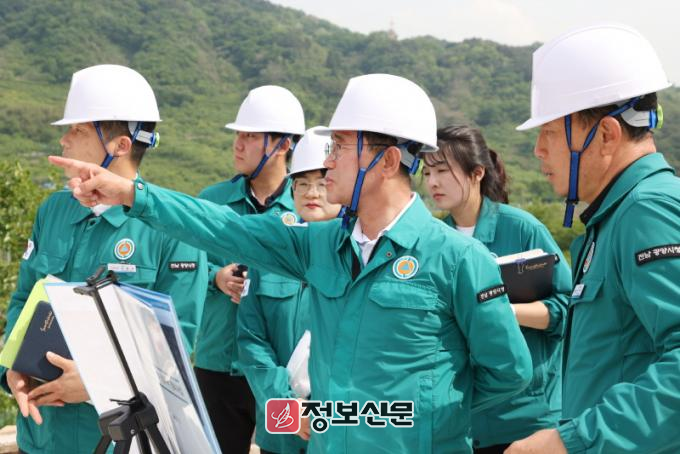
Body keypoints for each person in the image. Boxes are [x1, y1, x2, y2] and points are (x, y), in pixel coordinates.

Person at [51, 73, 532, 453]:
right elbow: (222, 227)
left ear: (387, 162)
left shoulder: (457, 259)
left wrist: (423, 422)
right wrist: (130, 192)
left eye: (341, 146)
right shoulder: (319, 245)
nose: (328, 160)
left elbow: (507, 372)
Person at [0, 64, 207, 454]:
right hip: (42, 436)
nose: (63, 140)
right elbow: (24, 298)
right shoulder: (53, 211)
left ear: (120, 146)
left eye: (77, 131)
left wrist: (98, 384)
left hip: (116, 441)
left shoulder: (172, 229)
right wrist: (12, 370)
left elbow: (174, 346)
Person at [503, 23, 680, 454]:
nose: (538, 150)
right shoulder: (614, 217)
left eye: (549, 132)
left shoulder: (646, 211)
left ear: (605, 135)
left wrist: (571, 440)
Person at [423, 125, 571, 453]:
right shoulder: (433, 240)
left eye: (443, 171)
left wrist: (499, 312)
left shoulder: (522, 228)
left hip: (526, 421)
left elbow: (568, 308)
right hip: (463, 418)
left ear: (477, 173)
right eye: (427, 172)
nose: (432, 182)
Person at [193, 84, 304, 454]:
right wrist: (216, 277)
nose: (238, 145)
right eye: (238, 135)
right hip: (218, 362)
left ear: (283, 144)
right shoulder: (212, 202)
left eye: (251, 136)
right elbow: (186, 267)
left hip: (281, 372)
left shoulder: (306, 208)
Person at [238, 126, 341, 454]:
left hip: (339, 429)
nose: (312, 193)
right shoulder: (269, 255)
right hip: (281, 429)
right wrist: (286, 409)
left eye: (322, 183)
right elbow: (251, 340)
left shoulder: (361, 257)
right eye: (302, 184)